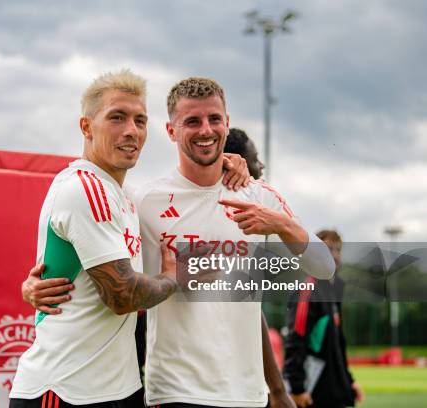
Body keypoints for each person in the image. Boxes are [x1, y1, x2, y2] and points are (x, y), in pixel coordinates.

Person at [23, 77, 335, 408]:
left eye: (215, 119)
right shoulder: (141, 201)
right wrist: (32, 285)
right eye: (192, 121)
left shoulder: (260, 197)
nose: (206, 130)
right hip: (173, 392)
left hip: (246, 394)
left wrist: (282, 225)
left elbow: (325, 267)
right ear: (171, 131)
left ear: (227, 124)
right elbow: (92, 257)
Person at [9, 70, 248, 408]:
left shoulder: (124, 197)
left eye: (139, 120)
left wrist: (224, 161)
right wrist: (172, 277)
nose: (131, 131)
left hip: (119, 388)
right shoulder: (84, 188)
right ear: (87, 127)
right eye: (116, 118)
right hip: (67, 389)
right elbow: (122, 296)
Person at [284, 230, 364, 408]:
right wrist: (297, 388)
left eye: (338, 250)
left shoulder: (335, 290)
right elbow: (295, 340)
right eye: (328, 249)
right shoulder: (308, 290)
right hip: (314, 394)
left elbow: (338, 345)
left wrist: (349, 380)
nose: (335, 256)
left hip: (335, 390)